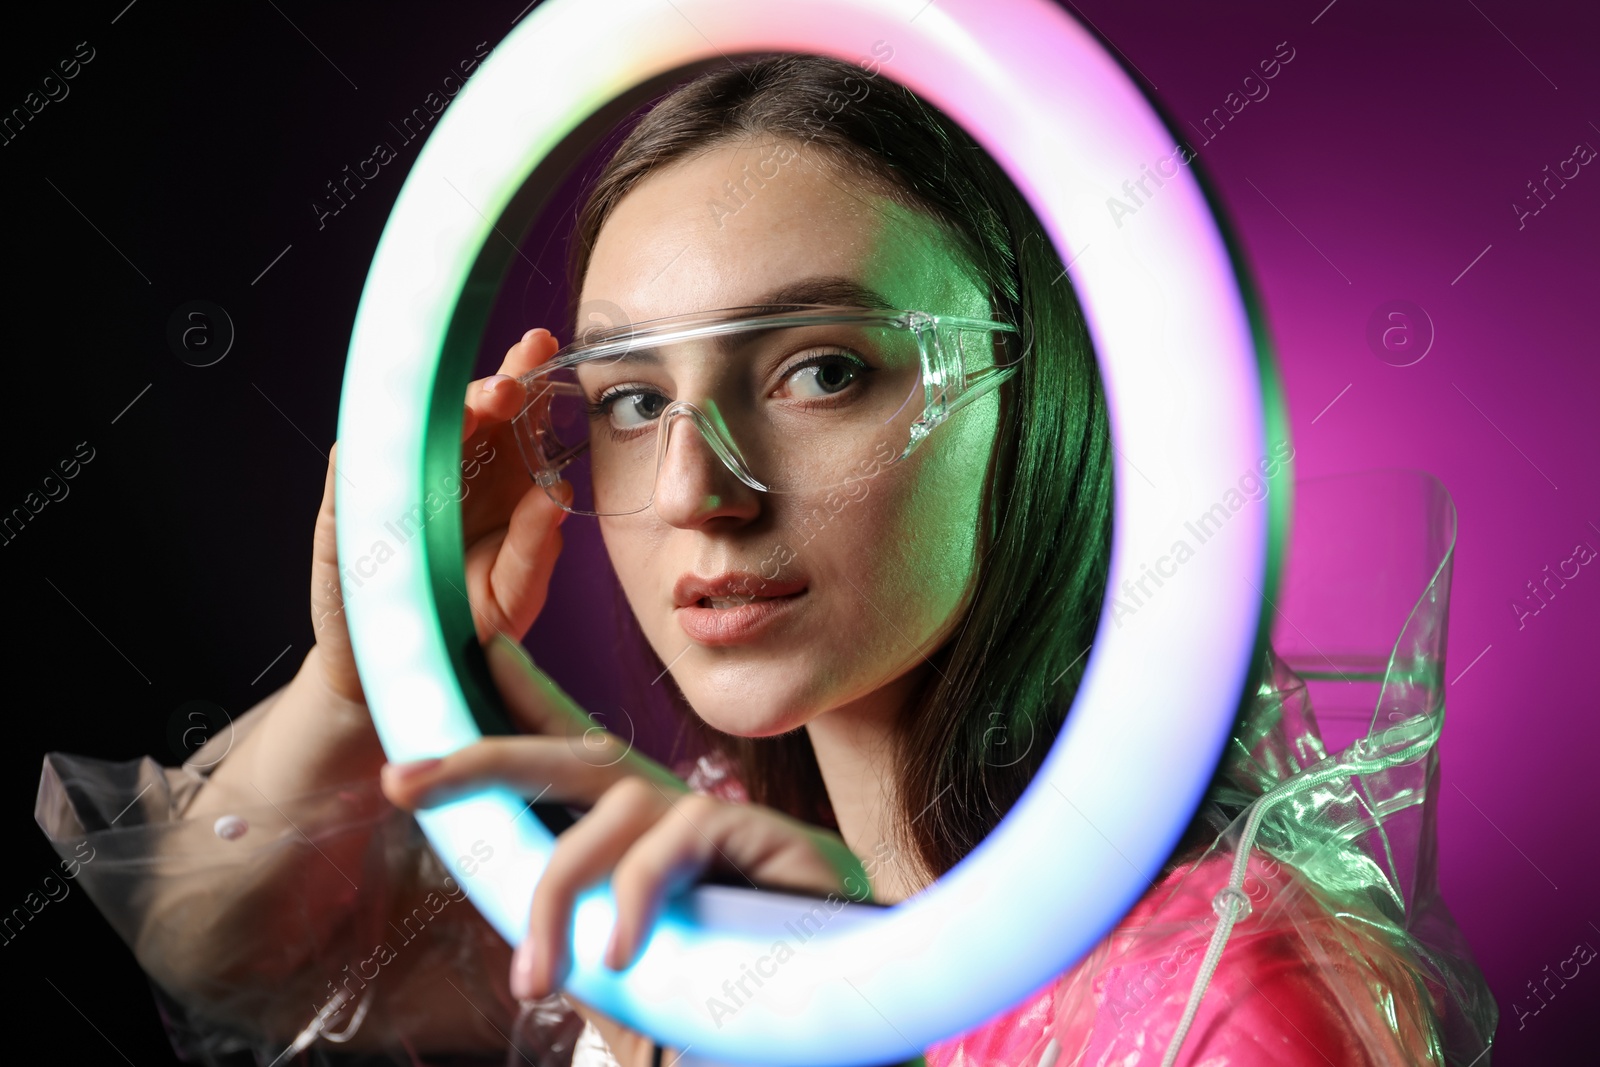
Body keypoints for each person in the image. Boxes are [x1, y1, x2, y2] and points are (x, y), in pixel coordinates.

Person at [34, 52, 1493, 1067]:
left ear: (1042, 391)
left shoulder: (1230, 996)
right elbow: (229, 963)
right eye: (626, 398)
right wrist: (373, 671)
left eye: (821, 372)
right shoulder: (692, 861)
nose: (693, 491)